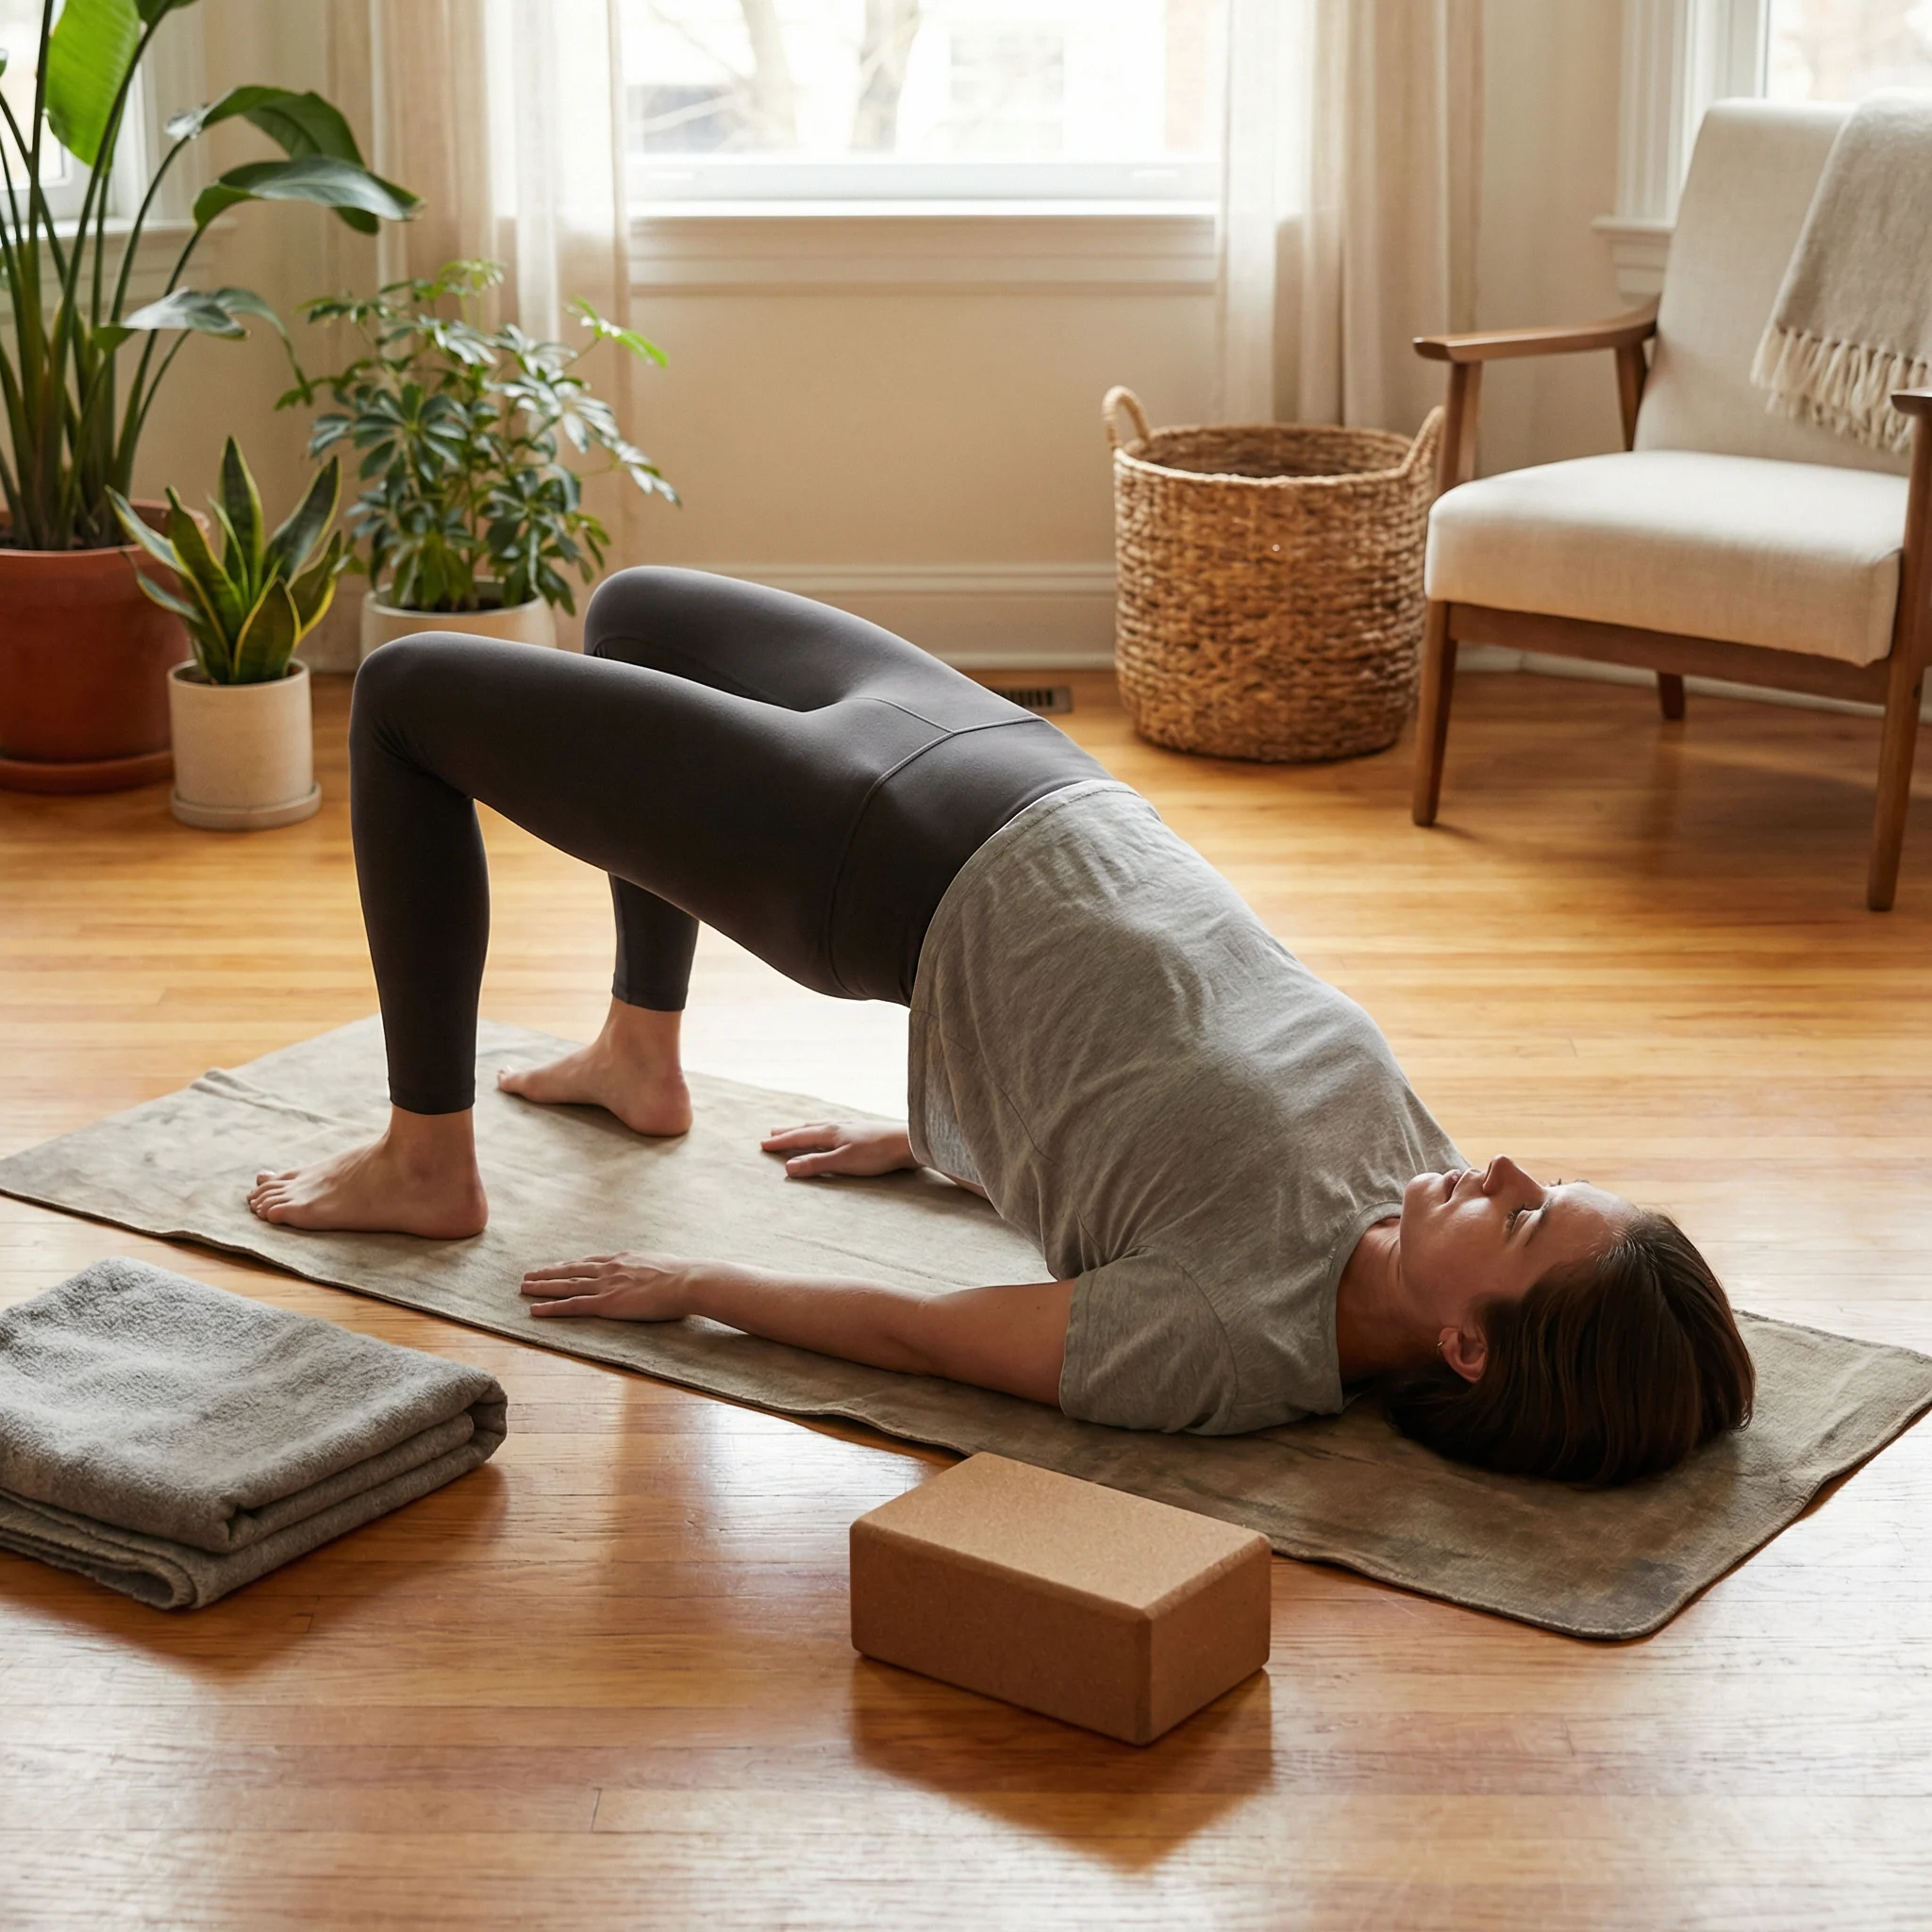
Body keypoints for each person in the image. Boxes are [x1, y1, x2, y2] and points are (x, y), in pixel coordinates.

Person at [249, 568, 1756, 1486]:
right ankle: (639, 1056)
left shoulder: (1220, 1344)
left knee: (404, 693)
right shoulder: (1414, 1187)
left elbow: (929, 1335)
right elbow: (1155, 1113)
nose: (1504, 1170)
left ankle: (425, 1162)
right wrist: (940, 1142)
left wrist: (700, 1284)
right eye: (1544, 1181)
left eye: (1527, 1216)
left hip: (872, 866)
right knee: (637, 613)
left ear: (1467, 1350)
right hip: (1033, 777)